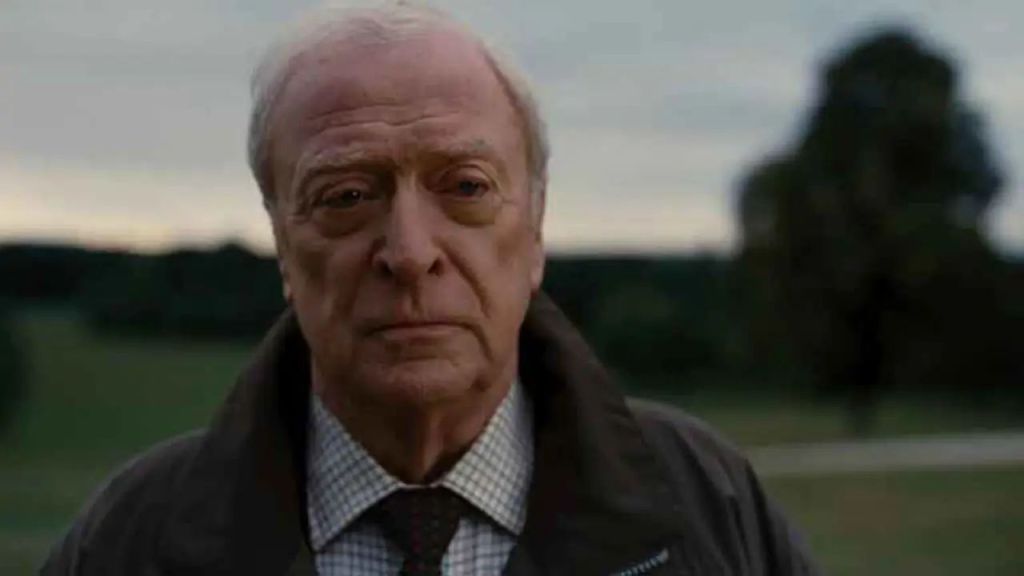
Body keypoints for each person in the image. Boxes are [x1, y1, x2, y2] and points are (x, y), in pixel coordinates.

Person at [42, 3, 819, 575]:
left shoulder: (710, 506)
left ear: (536, 228)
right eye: (347, 196)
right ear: (282, 242)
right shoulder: (130, 539)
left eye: (466, 186)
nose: (410, 254)